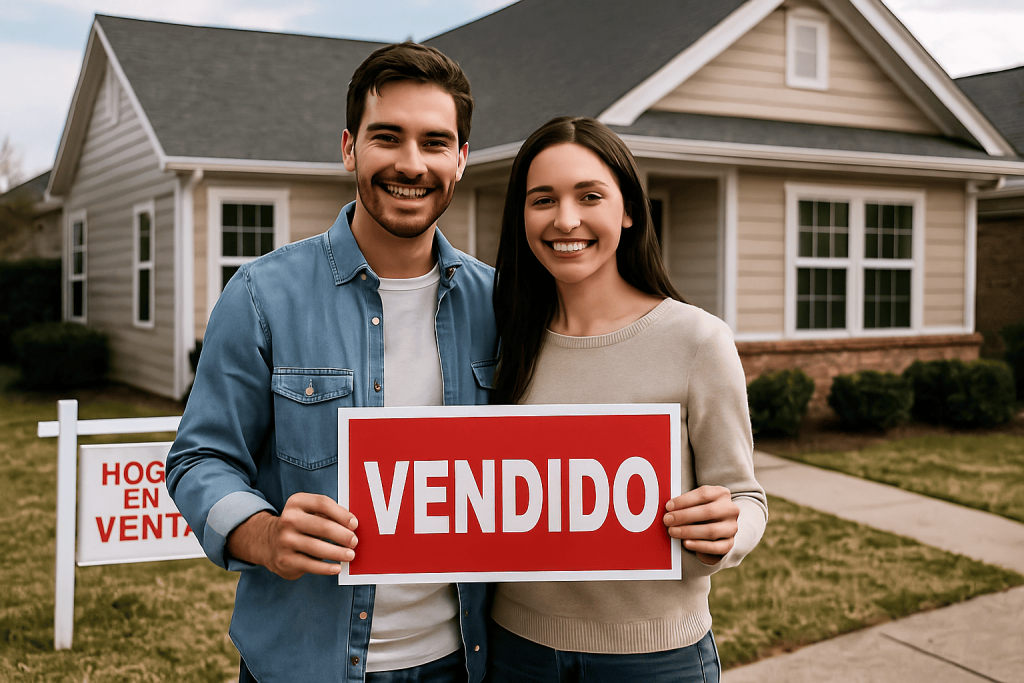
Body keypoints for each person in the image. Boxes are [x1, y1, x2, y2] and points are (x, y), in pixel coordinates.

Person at [166, 42, 497, 683]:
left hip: (465, 662)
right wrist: (262, 534)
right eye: (387, 137)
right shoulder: (262, 295)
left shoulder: (500, 305)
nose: (410, 163)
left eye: (434, 142)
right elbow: (199, 458)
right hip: (306, 663)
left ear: (461, 159)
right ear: (349, 147)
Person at [488, 116, 768, 682]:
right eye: (543, 199)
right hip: (513, 650)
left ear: (629, 209)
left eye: (589, 196)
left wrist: (727, 530)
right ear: (521, 216)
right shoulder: (497, 339)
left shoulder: (697, 340)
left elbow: (746, 498)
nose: (566, 219)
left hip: (656, 659)